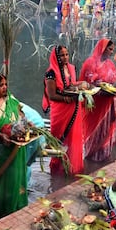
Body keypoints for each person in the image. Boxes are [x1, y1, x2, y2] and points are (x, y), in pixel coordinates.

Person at [0, 72, 39, 216]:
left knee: (18, 179)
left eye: (5, 84)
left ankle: (19, 206)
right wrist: (0, 136)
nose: (4, 88)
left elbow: (21, 118)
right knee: (4, 184)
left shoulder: (11, 100)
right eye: (0, 85)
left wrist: (28, 124)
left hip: (16, 149)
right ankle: (2, 211)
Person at [42, 45, 88, 176]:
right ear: (56, 56)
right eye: (62, 55)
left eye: (67, 54)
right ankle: (58, 171)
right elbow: (51, 95)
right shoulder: (51, 72)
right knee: (59, 140)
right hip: (60, 111)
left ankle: (73, 169)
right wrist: (65, 98)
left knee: (74, 139)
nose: (65, 57)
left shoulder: (71, 68)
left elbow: (71, 85)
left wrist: (82, 85)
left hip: (74, 107)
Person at [79, 38, 116, 161]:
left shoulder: (110, 64)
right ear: (103, 48)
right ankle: (89, 154)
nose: (111, 52)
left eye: (113, 50)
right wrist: (96, 88)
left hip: (108, 101)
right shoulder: (90, 63)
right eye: (109, 49)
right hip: (94, 103)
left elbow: (114, 81)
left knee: (106, 129)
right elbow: (85, 83)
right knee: (92, 128)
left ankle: (102, 155)